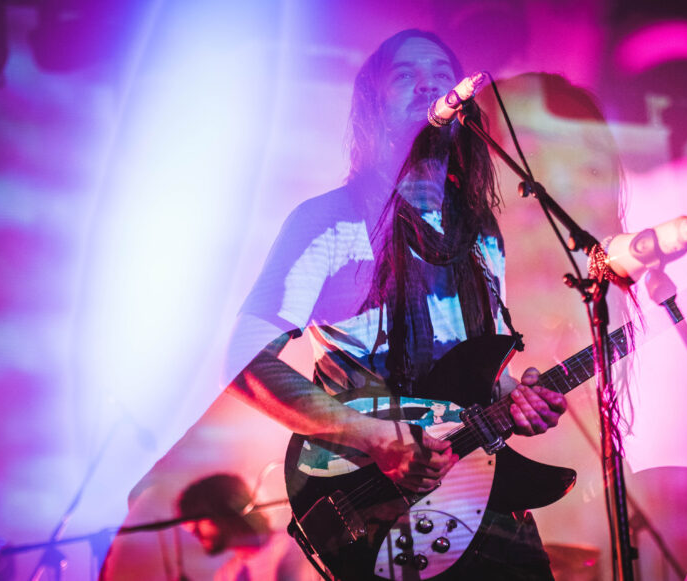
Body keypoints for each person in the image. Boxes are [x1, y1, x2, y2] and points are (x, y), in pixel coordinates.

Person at [223, 29, 567, 579]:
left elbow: (474, 375)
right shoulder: (330, 223)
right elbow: (241, 361)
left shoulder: (480, 231)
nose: (430, 84)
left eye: (440, 74)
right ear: (372, 107)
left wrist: (519, 401)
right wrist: (375, 438)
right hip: (381, 511)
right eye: (406, 75)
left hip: (489, 504)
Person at [176, 473, 306, 581]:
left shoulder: (291, 546)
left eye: (197, 523)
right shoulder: (225, 575)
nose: (193, 532)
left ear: (223, 511)